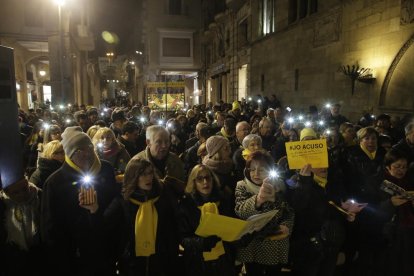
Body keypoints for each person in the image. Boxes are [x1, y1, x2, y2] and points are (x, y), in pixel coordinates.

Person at [41, 126, 121, 275]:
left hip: (104, 247)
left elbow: (116, 201)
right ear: (70, 155)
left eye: (90, 148)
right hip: (75, 256)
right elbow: (51, 228)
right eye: (80, 151)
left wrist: (97, 212)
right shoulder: (55, 182)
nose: (87, 154)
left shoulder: (106, 170)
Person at [109, 158, 179, 276]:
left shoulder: (162, 198)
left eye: (150, 173)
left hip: (160, 262)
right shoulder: (123, 201)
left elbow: (172, 227)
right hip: (132, 263)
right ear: (133, 177)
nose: (148, 178)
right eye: (143, 174)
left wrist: (171, 253)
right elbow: (109, 227)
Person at [342, 127, 392, 276]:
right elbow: (347, 178)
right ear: (360, 140)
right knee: (355, 238)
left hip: (377, 203)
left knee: (373, 238)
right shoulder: (351, 154)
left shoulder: (383, 155)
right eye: (367, 138)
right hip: (358, 203)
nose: (371, 141)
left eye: (374, 138)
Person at [235, 150, 294, 276]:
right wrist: (258, 199)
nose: (256, 174)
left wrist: (286, 226)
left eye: (261, 170)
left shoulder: (279, 186)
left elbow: (288, 212)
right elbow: (240, 211)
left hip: (274, 243)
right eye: (252, 169)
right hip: (252, 245)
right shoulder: (242, 186)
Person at [177, 165, 236, 276]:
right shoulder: (186, 205)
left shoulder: (223, 201)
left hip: (224, 260)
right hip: (198, 262)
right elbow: (182, 238)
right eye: (200, 179)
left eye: (208, 177)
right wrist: (203, 243)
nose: (205, 182)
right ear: (193, 182)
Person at [0, 178, 43, 275]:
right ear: (6, 193)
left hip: (39, 256)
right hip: (13, 260)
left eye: (25, 189)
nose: (22, 195)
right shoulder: (3, 206)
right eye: (16, 192)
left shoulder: (39, 197)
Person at [383, 149, 414, 276]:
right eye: (397, 167)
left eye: (404, 167)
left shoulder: (409, 182)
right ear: (388, 167)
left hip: (408, 230)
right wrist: (390, 204)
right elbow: (371, 209)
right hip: (390, 233)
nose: (401, 170)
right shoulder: (379, 182)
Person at [133, 125, 185, 198]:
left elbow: (182, 187)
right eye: (159, 142)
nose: (164, 146)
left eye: (167, 141)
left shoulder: (175, 160)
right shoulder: (136, 162)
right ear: (148, 142)